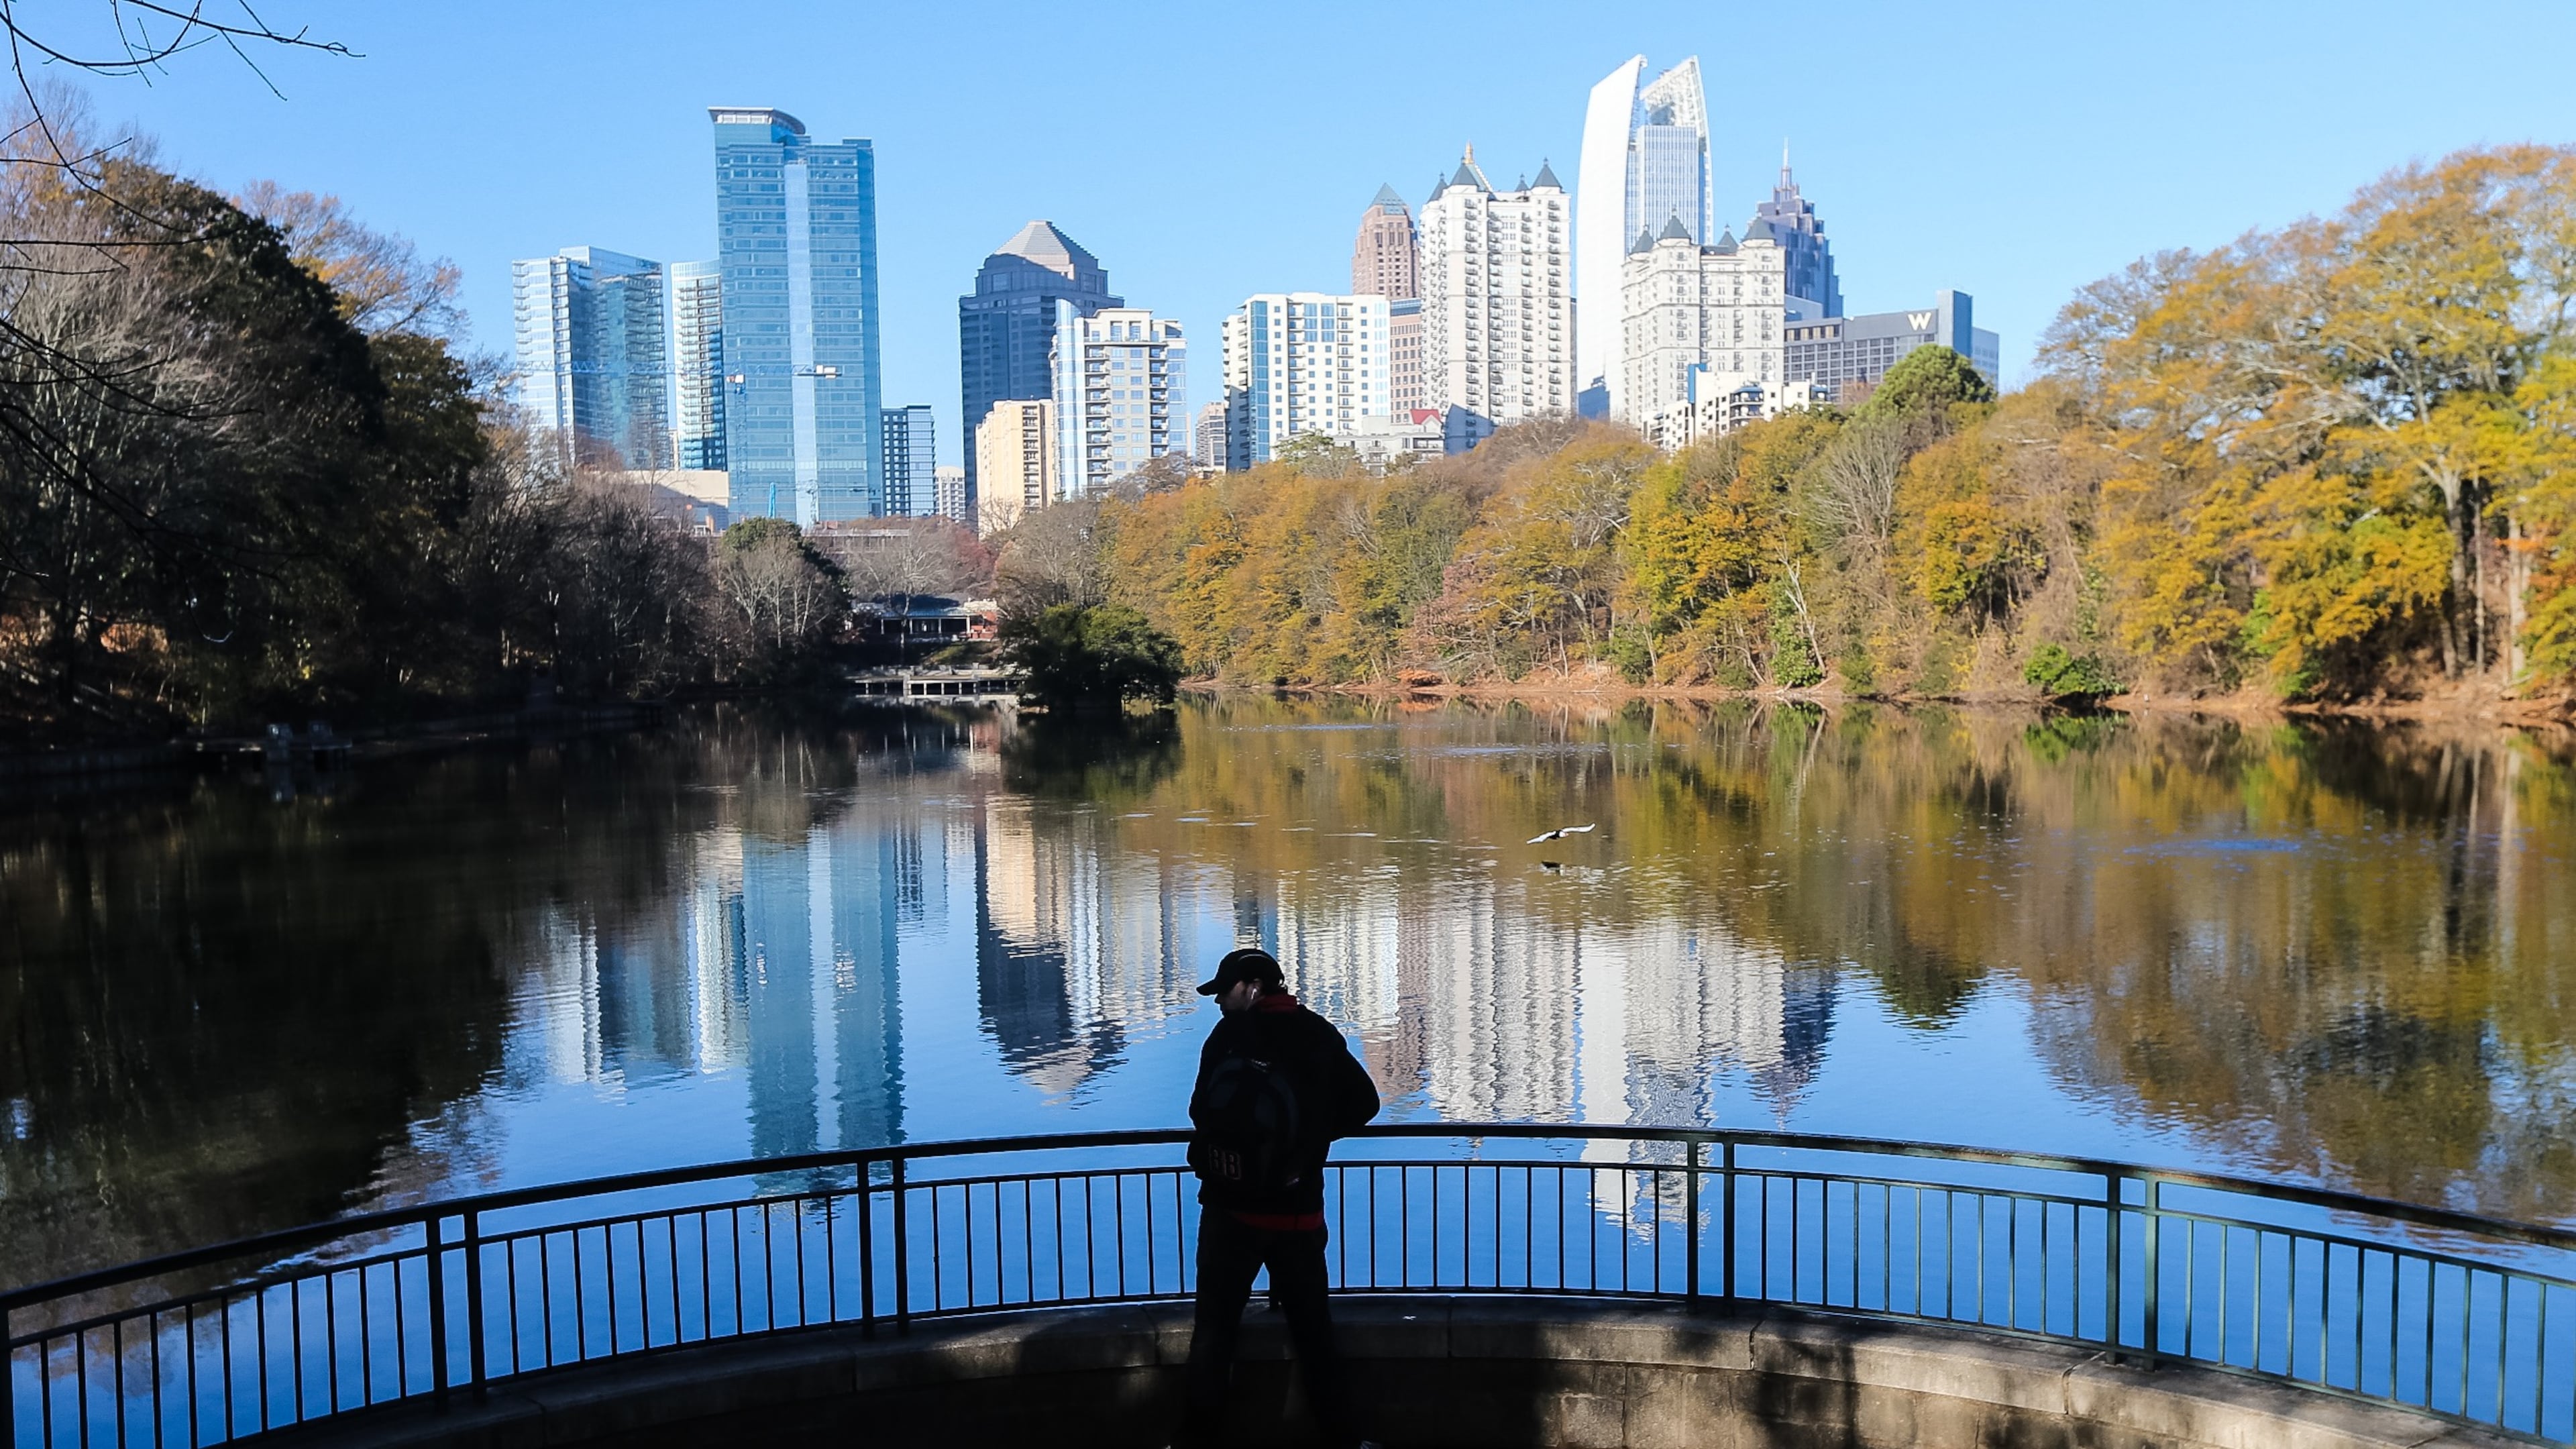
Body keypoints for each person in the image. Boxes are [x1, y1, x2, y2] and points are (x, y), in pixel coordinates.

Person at [1176, 947, 1381, 1449]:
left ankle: (1195, 1442)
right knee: (1314, 1336)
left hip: (1228, 1211)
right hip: (1297, 1217)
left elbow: (1201, 1109)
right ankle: (1343, 1440)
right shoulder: (1318, 1034)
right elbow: (1367, 1104)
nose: (1219, 1002)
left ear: (1251, 988)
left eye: (1224, 992)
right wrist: (1311, 1142)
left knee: (1213, 1335)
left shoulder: (1227, 1037)